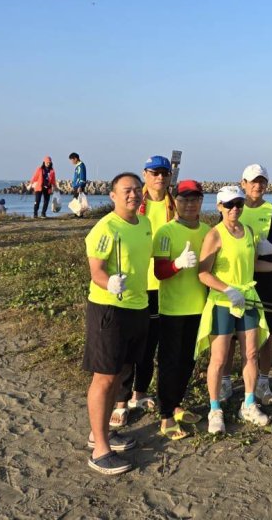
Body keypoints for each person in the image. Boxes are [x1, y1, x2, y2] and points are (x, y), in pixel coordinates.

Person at [82, 172, 153, 475]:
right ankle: (100, 450)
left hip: (138, 307)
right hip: (109, 309)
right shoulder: (106, 227)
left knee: (122, 372)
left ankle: (101, 433)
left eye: (137, 189)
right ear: (112, 195)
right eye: (126, 190)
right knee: (105, 378)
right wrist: (108, 282)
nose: (132, 195)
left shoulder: (145, 223)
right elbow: (96, 270)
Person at [198, 186, 272, 434]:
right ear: (219, 206)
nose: (235, 209)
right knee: (219, 359)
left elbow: (253, 265)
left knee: (251, 354)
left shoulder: (249, 231)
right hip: (223, 302)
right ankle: (214, 409)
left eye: (239, 204)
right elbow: (202, 273)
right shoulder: (214, 235)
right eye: (229, 204)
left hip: (248, 299)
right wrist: (227, 290)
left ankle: (249, 403)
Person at [113, 155, 174, 422]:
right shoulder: (136, 203)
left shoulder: (176, 205)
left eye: (164, 173)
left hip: (165, 285)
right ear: (145, 175)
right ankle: (120, 401)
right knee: (129, 347)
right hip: (136, 285)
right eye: (154, 173)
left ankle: (140, 392)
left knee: (152, 346)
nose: (160, 178)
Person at [151, 180, 210, 440]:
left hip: (199, 306)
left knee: (189, 360)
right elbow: (159, 272)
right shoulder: (165, 232)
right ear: (175, 201)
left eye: (195, 198)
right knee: (169, 361)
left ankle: (177, 406)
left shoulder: (209, 231)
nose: (189, 204)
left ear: (201, 201)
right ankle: (165, 416)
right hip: (172, 309)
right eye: (184, 199)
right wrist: (177, 264)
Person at [239, 164, 272, 404]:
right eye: (252, 181)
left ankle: (263, 380)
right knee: (233, 332)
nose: (257, 186)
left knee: (268, 330)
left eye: (261, 182)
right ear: (243, 184)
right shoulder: (233, 208)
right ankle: (228, 381)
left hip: (267, 278)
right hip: (238, 279)